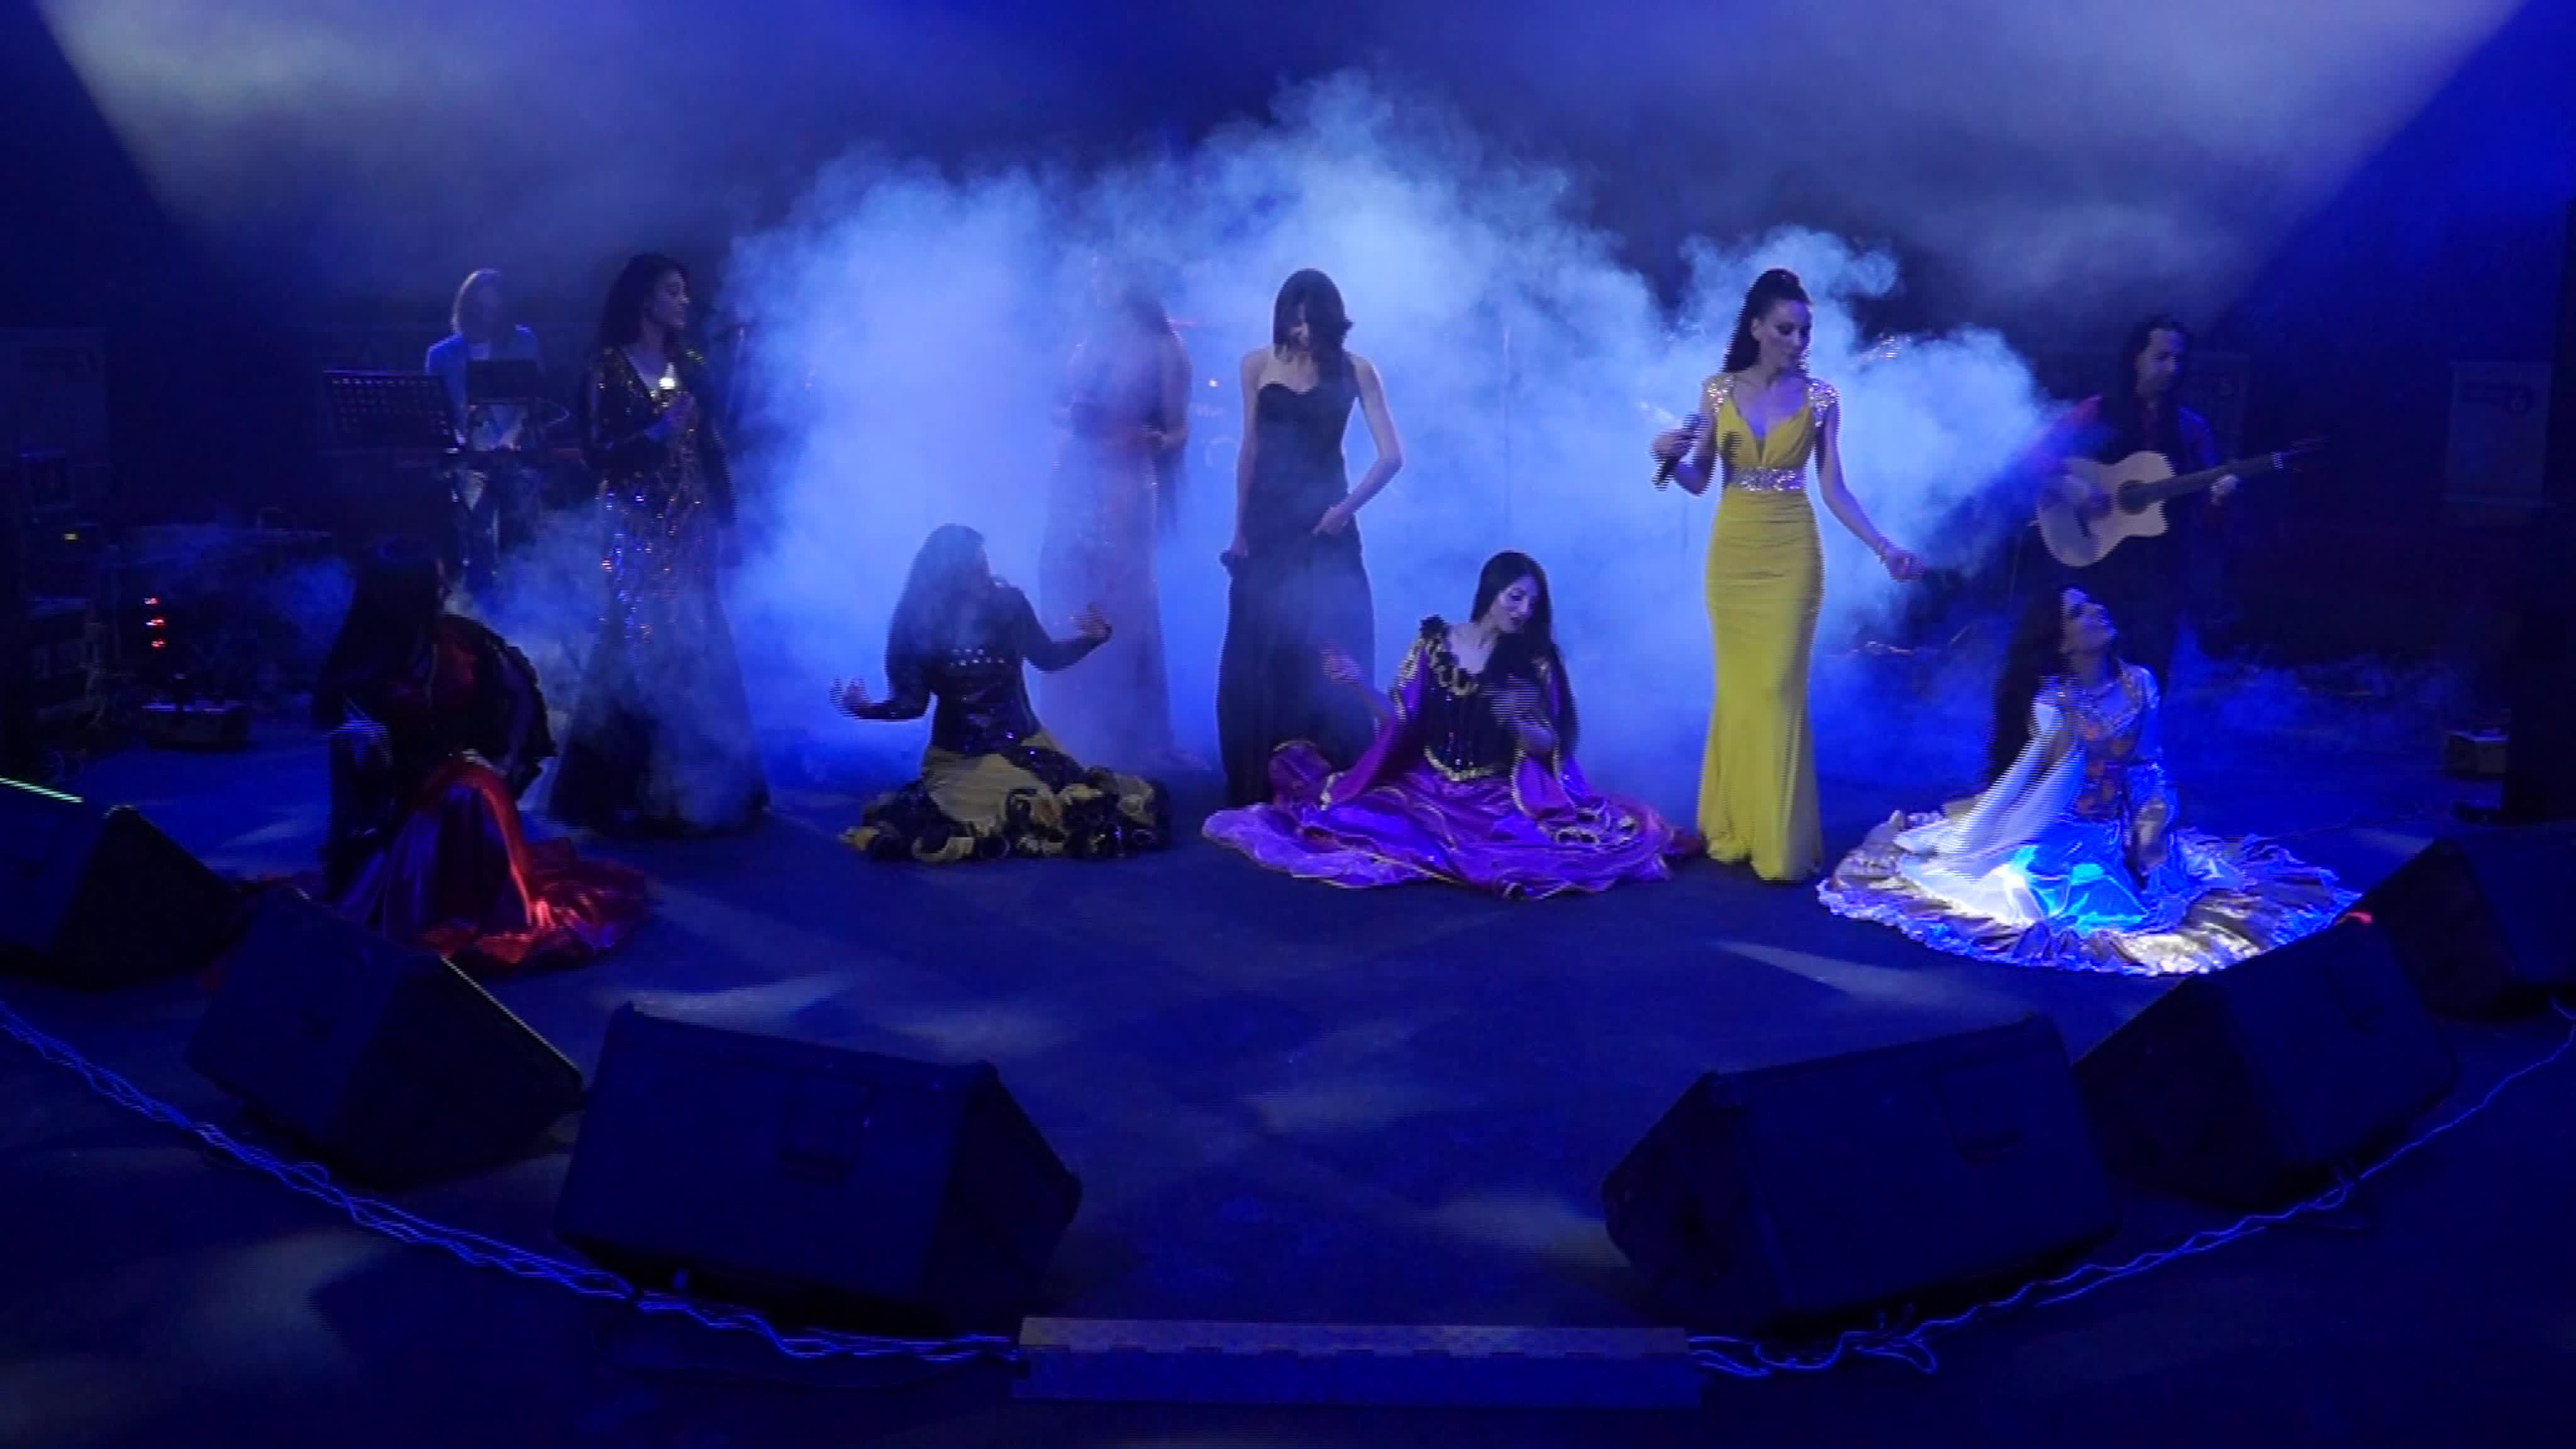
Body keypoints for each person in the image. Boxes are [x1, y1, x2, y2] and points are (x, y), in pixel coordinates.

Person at [1817, 586, 2353, 974]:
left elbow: (2146, 764)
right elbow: (2049, 782)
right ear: (2064, 643)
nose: (2097, 611)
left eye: (2094, 604)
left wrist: (2153, 815)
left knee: (2163, 881)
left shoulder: (2139, 683)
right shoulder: (2054, 701)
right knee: (2037, 891)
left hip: (2114, 828)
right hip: (2062, 832)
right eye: (2079, 613)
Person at [1205, 551, 1694, 896]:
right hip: (1428, 785)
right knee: (1352, 818)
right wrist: (1357, 684)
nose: (1523, 611)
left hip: (1494, 794)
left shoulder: (1534, 662)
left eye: (1531, 603)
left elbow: (1548, 746)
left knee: (1521, 849)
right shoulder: (1435, 644)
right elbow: (1400, 719)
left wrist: (1519, 721)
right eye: (1515, 597)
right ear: (1491, 591)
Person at [1650, 268, 1922, 883]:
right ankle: (1735, 828)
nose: (1797, 341)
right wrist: (1665, 457)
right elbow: (1697, 480)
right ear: (1755, 328)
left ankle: (1777, 844)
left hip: (1792, 554)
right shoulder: (1717, 391)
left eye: (1804, 332)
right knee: (1740, 690)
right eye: (1784, 329)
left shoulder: (1822, 398)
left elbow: (1834, 487)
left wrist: (1884, 547)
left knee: (1776, 689)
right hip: (1732, 557)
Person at [313, 537, 648, 975]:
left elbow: (518, 697)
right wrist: (370, 750)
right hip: (397, 794)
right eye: (433, 583)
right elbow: (351, 750)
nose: (445, 589)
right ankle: (426, 901)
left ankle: (484, 901)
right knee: (447, 810)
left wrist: (505, 762)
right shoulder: (366, 658)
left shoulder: (461, 641)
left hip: (459, 775)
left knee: (471, 792)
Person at [549, 253, 769, 836]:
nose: (683, 302)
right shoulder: (607, 368)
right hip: (637, 522)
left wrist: (728, 521)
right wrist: (656, 434)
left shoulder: (689, 366)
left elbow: (711, 450)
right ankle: (625, 790)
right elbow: (598, 454)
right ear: (644, 297)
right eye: (673, 291)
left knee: (700, 631)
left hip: (691, 522)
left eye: (684, 291)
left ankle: (708, 782)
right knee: (638, 634)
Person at [834, 525, 1170, 862]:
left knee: (1073, 804)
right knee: (1014, 807)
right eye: (974, 566)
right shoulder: (917, 626)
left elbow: (1047, 658)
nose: (984, 573)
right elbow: (911, 704)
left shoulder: (1010, 606)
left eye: (984, 562)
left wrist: (1092, 640)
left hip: (1029, 743)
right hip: (963, 759)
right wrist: (865, 709)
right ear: (948, 575)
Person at [1217, 269, 1404, 805]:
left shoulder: (1357, 370)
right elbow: (1249, 449)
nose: (1301, 333)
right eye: (1293, 321)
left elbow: (1392, 457)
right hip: (1267, 522)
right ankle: (1256, 775)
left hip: (1326, 522)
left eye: (1310, 322)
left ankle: (1335, 772)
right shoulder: (1256, 365)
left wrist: (1345, 510)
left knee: (1330, 636)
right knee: (1258, 646)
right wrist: (1238, 529)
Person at [2023, 313, 2236, 686]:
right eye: (2162, 357)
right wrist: (2076, 488)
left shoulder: (2191, 429)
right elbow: (2034, 458)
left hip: (2159, 574)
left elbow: (2203, 519)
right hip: (2094, 564)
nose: (2172, 368)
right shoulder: (2097, 411)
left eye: (2179, 359)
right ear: (2136, 358)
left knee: (2149, 672)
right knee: (2085, 672)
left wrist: (2219, 500)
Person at [1038, 262, 1191, 769]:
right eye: (1094, 276)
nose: (1097, 284)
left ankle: (1130, 731)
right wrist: (1074, 416)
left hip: (1127, 479)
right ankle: (1066, 722)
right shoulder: (1085, 339)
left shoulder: (1165, 347)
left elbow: (1180, 429)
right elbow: (1055, 406)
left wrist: (1152, 440)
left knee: (1125, 596)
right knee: (1064, 582)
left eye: (1107, 275)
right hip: (1075, 474)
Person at [423, 269, 547, 593]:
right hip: (470, 460)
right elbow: (437, 413)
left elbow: (532, 399)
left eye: (494, 310)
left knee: (522, 543)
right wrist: (459, 443)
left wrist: (511, 439)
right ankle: (480, 609)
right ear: (466, 308)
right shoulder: (441, 355)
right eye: (479, 309)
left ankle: (523, 608)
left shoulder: (523, 341)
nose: (487, 317)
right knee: (478, 543)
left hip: (516, 456)